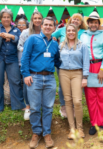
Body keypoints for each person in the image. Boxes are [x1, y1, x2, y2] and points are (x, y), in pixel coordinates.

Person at [21, 17, 61, 149]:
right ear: (42, 26)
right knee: (35, 107)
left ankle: (47, 133)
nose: (48, 27)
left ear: (54, 28)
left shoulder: (55, 44)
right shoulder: (33, 39)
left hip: (49, 78)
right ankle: (36, 133)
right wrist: (26, 74)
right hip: (34, 77)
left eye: (51, 25)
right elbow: (25, 56)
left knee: (49, 107)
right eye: (46, 25)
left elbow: (56, 60)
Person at [0, 9, 25, 113]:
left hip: (12, 59)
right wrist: (0, 35)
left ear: (11, 19)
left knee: (15, 81)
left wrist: (11, 37)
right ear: (0, 18)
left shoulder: (16, 30)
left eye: (8, 17)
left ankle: (18, 105)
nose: (6, 19)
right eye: (4, 17)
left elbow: (20, 41)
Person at [80, 12, 103, 135]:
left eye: (96, 22)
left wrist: (102, 69)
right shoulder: (83, 35)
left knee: (102, 97)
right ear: (88, 23)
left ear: (99, 23)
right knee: (90, 97)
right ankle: (94, 123)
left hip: (100, 66)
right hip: (87, 67)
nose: (93, 24)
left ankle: (102, 123)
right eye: (91, 22)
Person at [52, 13, 87, 118]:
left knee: (76, 87)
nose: (75, 21)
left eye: (78, 20)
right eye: (74, 19)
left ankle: (74, 107)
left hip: (77, 63)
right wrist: (54, 41)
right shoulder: (63, 30)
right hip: (63, 63)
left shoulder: (84, 32)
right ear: (70, 20)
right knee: (63, 86)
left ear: (81, 23)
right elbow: (52, 36)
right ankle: (64, 106)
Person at [59, 24, 89, 139]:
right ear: (66, 32)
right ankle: (72, 129)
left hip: (77, 73)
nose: (71, 32)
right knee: (67, 100)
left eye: (73, 30)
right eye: (68, 30)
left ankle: (80, 128)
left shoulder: (82, 45)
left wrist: (85, 77)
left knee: (77, 101)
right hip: (64, 73)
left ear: (76, 32)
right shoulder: (61, 46)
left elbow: (86, 61)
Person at [18, 11, 43, 120]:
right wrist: (28, 51)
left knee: (40, 85)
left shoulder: (45, 32)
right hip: (27, 62)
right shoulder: (25, 33)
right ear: (31, 20)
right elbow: (19, 46)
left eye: (39, 18)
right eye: (35, 18)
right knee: (27, 84)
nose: (37, 20)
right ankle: (28, 107)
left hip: (41, 63)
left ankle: (39, 107)